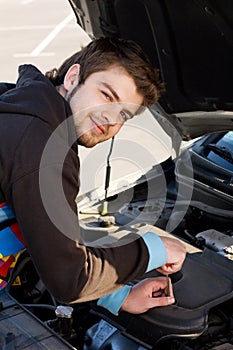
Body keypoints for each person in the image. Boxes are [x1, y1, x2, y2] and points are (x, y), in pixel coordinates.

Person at [0, 37, 186, 315]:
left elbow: (40, 235)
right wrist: (153, 250)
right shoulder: (42, 145)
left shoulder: (21, 104)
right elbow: (70, 279)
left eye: (124, 113)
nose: (112, 119)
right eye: (107, 95)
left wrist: (115, 296)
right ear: (73, 77)